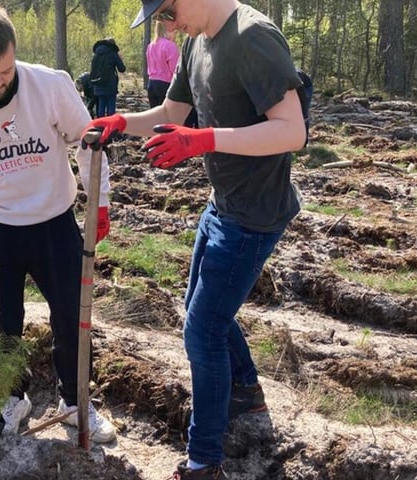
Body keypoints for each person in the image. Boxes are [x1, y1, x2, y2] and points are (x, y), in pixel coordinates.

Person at [83, 0, 307, 478]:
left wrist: (202, 140)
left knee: (201, 330)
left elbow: (292, 132)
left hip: (254, 215)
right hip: (222, 203)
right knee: (204, 311)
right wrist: (122, 122)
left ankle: (204, 462)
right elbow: (171, 110)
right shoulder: (196, 40)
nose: (166, 24)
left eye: (167, 11)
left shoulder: (252, 38)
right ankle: (245, 392)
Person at [0, 6, 116, 443]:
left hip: (54, 221)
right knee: (5, 321)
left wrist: (99, 200)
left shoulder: (50, 85)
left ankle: (74, 402)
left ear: (16, 57)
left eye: (6, 71)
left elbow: (91, 140)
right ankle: (15, 399)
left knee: (72, 315)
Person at [89, 37, 126, 118]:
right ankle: (110, 125)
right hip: (110, 83)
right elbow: (122, 69)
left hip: (97, 83)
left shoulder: (96, 54)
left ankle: (100, 124)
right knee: (111, 104)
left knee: (101, 104)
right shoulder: (113, 54)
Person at [146, 21, 179, 108]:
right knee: (167, 115)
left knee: (155, 114)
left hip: (151, 82)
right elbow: (175, 69)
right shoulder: (170, 46)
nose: (175, 32)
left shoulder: (151, 45)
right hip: (165, 84)